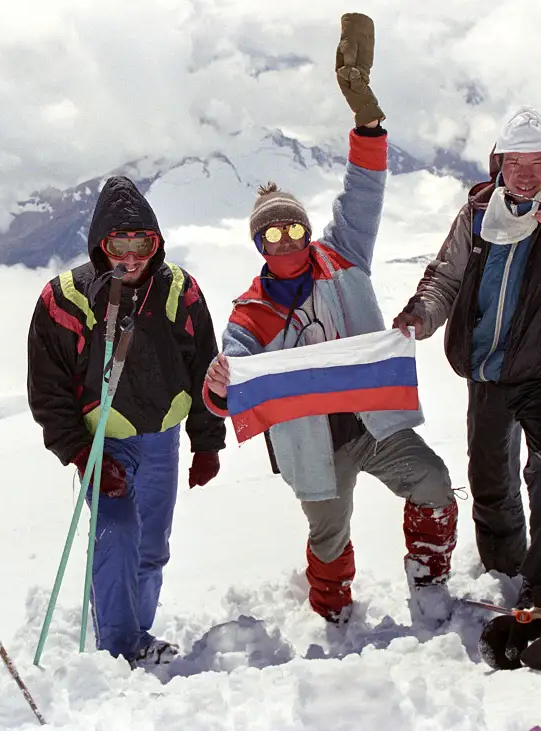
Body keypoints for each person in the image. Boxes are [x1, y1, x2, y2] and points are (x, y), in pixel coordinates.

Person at [202, 13, 458, 630]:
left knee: (432, 482)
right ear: (259, 246)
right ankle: (333, 610)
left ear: (308, 229)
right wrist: (217, 390)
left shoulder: (343, 257)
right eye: (272, 233)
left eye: (293, 226)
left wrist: (367, 123)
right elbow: (230, 385)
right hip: (313, 446)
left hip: (375, 421)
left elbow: (364, 188)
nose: (286, 238)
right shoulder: (249, 317)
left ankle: (428, 575)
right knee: (327, 533)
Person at [392, 105, 541, 617]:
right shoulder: (477, 212)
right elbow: (445, 278)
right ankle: (503, 569)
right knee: (490, 480)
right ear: (498, 164)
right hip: (488, 372)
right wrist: (422, 315)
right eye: (514, 163)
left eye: (537, 164)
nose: (524, 175)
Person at [26, 175, 226, 666]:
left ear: (156, 244)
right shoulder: (65, 300)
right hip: (102, 443)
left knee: (152, 545)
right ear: (101, 245)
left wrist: (207, 442)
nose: (131, 258)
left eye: (143, 244)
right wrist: (76, 452)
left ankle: (138, 631)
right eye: (120, 245)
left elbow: (205, 367)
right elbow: (48, 390)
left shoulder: (180, 290)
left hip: (164, 439)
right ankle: (118, 648)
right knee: (116, 534)